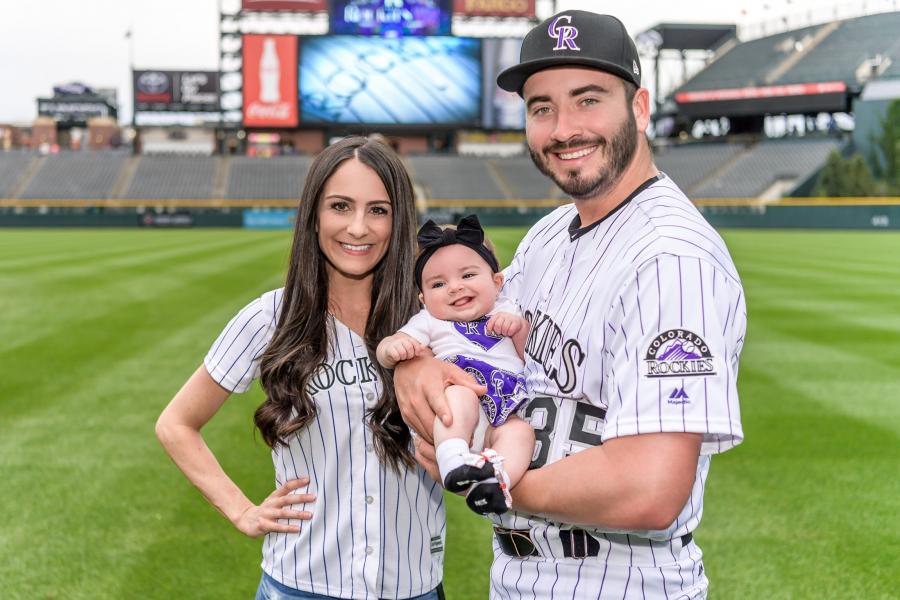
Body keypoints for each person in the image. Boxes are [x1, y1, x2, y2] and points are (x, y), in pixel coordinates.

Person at [395, 10, 746, 599]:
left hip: (620, 581)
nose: (563, 128)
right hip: (518, 575)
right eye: (542, 108)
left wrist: (491, 479)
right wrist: (418, 364)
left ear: (638, 107)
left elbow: (650, 488)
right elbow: (461, 324)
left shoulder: (671, 259)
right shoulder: (549, 235)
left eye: (588, 99)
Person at [156, 136, 466, 600]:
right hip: (301, 586)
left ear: (399, 220)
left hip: (414, 585)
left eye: (378, 210)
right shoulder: (271, 317)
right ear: (314, 215)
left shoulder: (434, 322)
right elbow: (176, 424)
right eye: (340, 206)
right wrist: (243, 511)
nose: (358, 227)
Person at [376, 215, 535, 517]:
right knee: (459, 395)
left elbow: (532, 358)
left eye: (467, 275)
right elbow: (388, 347)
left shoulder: (507, 309)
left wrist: (518, 328)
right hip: (461, 419)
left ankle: (495, 481)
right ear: (423, 299)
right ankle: (453, 459)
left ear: (496, 281)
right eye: (438, 283)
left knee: (521, 433)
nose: (454, 288)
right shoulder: (430, 321)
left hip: (502, 414)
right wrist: (393, 348)